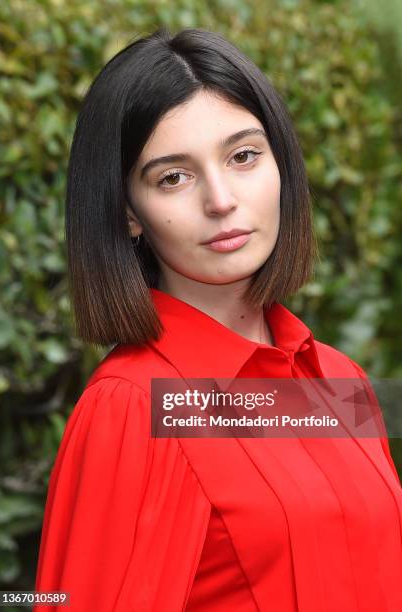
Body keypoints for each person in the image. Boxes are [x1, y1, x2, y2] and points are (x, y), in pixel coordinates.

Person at [33, 27, 402, 611]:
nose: (221, 199)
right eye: (173, 176)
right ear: (129, 214)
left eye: (243, 156)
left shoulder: (342, 381)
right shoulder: (132, 406)